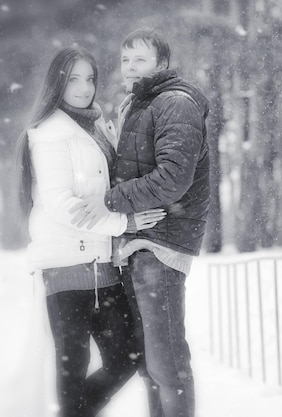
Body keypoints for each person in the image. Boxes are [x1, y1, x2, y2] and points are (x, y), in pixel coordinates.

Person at [15, 46, 167, 417]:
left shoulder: (95, 125)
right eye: (73, 79)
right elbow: (62, 205)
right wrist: (124, 223)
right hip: (66, 268)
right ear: (58, 83)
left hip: (103, 264)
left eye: (90, 79)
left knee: (124, 358)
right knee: (73, 369)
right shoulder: (50, 134)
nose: (84, 88)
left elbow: (104, 188)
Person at [71, 28, 211, 417]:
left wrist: (110, 201)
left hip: (160, 243)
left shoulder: (174, 103)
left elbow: (172, 178)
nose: (130, 67)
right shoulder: (138, 104)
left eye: (141, 60)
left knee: (167, 361)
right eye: (125, 59)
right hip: (138, 241)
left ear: (162, 64)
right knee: (151, 362)